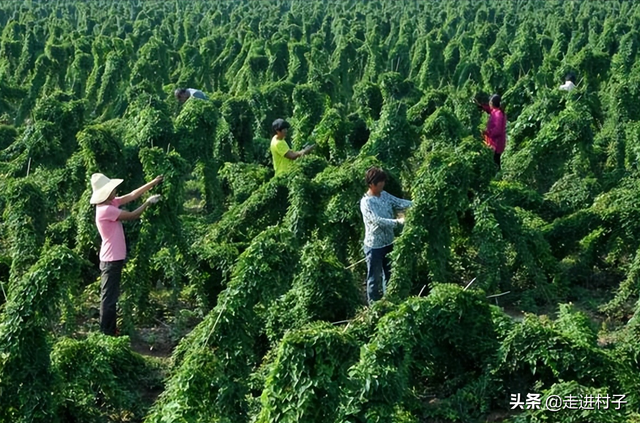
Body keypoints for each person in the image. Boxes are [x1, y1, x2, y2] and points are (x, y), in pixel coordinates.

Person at [90, 173, 163, 336]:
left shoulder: (111, 203)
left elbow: (132, 195)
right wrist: (147, 203)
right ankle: (106, 332)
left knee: (111, 296)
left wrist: (153, 182)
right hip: (111, 259)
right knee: (109, 298)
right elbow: (132, 215)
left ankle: (110, 329)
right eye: (112, 189)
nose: (115, 191)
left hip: (114, 258)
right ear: (106, 193)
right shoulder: (105, 210)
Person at [360, 167, 412, 304]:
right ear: (371, 184)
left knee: (390, 275)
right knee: (374, 278)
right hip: (374, 246)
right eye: (380, 182)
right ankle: (374, 306)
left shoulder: (384, 195)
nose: (382, 185)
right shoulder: (366, 202)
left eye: (383, 182)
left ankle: (389, 302)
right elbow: (377, 220)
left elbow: (399, 202)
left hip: (389, 242)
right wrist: (397, 222)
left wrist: (416, 204)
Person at [475, 94, 507, 170]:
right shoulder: (496, 111)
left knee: (495, 162)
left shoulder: (498, 114)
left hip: (496, 143)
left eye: (490, 102)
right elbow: (489, 110)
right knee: (495, 161)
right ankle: (497, 177)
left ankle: (497, 178)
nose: (489, 103)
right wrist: (480, 106)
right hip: (495, 142)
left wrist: (486, 132)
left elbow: (498, 130)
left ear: (492, 103)